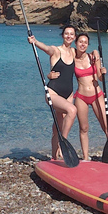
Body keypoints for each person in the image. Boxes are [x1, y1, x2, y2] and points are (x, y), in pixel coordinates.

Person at [62, 32, 108, 165]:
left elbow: (100, 77)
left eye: (85, 42)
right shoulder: (71, 58)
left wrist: (103, 74)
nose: (83, 44)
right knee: (84, 128)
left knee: (107, 127)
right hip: (81, 97)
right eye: (80, 41)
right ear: (76, 43)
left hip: (97, 95)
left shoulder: (93, 57)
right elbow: (59, 56)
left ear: (88, 45)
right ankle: (86, 157)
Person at [28, 25, 78, 160]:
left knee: (57, 127)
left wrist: (96, 55)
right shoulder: (56, 51)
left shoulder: (74, 52)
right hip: (53, 92)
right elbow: (46, 48)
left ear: (74, 37)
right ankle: (64, 143)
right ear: (63, 35)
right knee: (72, 111)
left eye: (71, 34)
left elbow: (87, 55)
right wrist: (35, 42)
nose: (69, 36)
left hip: (68, 94)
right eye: (66, 33)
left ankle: (54, 157)